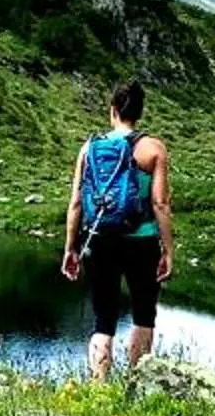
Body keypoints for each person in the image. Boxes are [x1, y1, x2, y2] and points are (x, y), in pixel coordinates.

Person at [60, 78, 172, 381]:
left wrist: (71, 249)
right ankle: (137, 383)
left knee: (103, 319)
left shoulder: (90, 148)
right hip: (142, 241)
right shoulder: (153, 149)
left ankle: (99, 391)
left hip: (99, 240)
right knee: (144, 315)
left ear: (113, 110)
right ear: (139, 112)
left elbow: (75, 204)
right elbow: (160, 204)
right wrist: (168, 250)